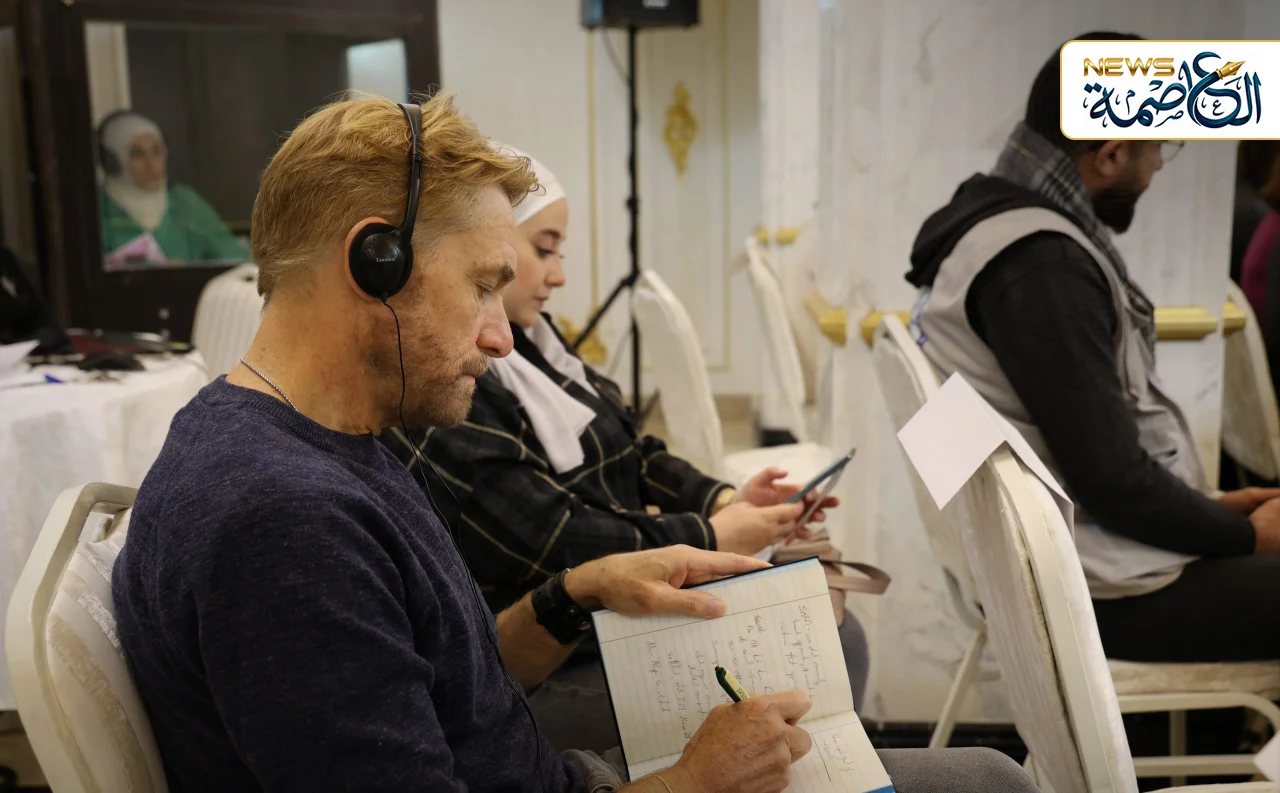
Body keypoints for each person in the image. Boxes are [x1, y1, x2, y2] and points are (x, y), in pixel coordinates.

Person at [113, 93, 1040, 793]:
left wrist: (578, 590)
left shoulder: (314, 441)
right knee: (994, 783)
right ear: (374, 261)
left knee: (985, 776)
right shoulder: (286, 526)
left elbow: (455, 684)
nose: (501, 335)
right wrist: (693, 782)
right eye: (483, 285)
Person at [382, 145, 870, 754]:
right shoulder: (453, 382)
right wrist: (709, 535)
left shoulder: (536, 347)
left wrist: (722, 502)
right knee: (832, 645)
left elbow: (633, 450)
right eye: (542, 251)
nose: (558, 276)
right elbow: (554, 539)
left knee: (831, 630)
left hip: (604, 618)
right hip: (551, 658)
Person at [905, 32, 1280, 663]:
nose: (1159, 165)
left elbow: (1094, 464)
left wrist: (1214, 511)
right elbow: (1114, 485)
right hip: (1093, 591)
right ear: (1108, 154)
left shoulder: (991, 227)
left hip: (1073, 563)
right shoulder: (1042, 269)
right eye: (1160, 145)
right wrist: (1246, 535)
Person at [97, 110, 248, 267]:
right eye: (137, 154)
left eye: (157, 151)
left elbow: (234, 257)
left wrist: (186, 272)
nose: (151, 164)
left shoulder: (185, 202)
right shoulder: (98, 211)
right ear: (113, 162)